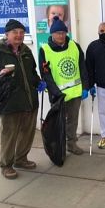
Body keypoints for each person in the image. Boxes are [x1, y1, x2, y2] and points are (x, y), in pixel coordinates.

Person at [0, 19, 46, 179]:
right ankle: (6, 165)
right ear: (7, 34)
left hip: (29, 100)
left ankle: (21, 159)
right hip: (9, 103)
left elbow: (32, 72)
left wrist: (38, 82)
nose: (19, 35)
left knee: (27, 133)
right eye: (15, 32)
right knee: (10, 135)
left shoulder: (26, 51)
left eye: (22, 32)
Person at [39, 16, 89, 155]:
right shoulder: (45, 50)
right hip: (58, 95)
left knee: (72, 121)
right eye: (57, 33)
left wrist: (85, 87)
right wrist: (56, 92)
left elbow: (82, 67)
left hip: (75, 93)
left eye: (63, 33)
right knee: (58, 123)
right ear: (52, 34)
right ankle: (59, 148)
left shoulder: (74, 46)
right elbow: (46, 75)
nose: (60, 35)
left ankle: (72, 144)